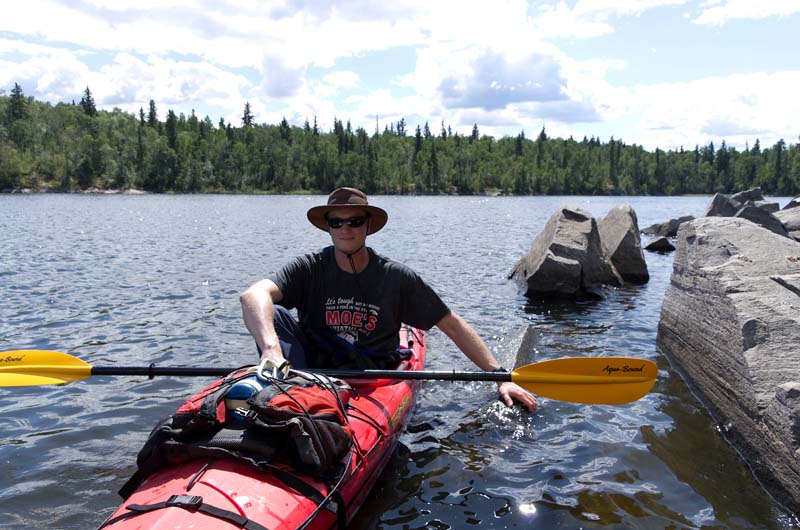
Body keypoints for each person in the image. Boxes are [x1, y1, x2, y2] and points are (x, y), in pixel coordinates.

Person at [240, 187, 537, 412]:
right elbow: (252, 295)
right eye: (336, 222)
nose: (345, 229)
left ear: (368, 226)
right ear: (328, 226)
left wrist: (500, 377)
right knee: (275, 313)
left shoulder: (395, 276)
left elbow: (452, 324)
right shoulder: (309, 267)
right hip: (314, 372)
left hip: (373, 375)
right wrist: (271, 349)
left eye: (354, 221)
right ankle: (290, 389)